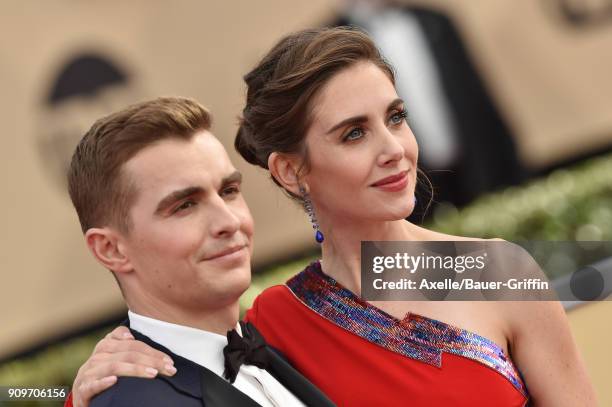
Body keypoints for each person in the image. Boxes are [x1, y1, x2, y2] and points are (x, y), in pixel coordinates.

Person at [67, 28, 596, 406]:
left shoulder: (492, 273)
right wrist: (85, 386)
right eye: (354, 133)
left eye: (396, 118)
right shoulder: (271, 325)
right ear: (292, 171)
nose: (394, 149)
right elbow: (181, 366)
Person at [65, 96, 335, 407]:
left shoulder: (275, 349)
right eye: (185, 206)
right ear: (111, 250)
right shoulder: (133, 400)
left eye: (229, 191)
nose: (229, 221)